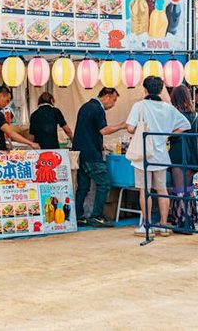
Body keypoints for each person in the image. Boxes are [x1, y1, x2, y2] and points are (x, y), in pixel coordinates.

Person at [125, 77, 191, 237]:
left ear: (145, 90)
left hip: (143, 155)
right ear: (161, 90)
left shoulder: (139, 106)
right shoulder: (168, 108)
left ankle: (147, 225)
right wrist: (167, 135)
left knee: (144, 190)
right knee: (162, 190)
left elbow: (130, 128)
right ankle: (163, 224)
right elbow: (186, 125)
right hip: (161, 154)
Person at [74, 87, 127, 228]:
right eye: (114, 100)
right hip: (92, 154)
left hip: (81, 153)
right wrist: (121, 126)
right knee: (104, 183)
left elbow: (88, 130)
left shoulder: (85, 106)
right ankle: (96, 216)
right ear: (107, 96)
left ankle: (77, 216)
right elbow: (103, 130)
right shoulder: (98, 109)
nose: (113, 104)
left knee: (83, 187)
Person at [167, 85, 198, 233]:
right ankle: (190, 220)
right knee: (188, 189)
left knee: (179, 189)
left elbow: (170, 134)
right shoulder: (195, 115)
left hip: (178, 153)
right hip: (192, 154)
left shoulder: (176, 114)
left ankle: (181, 221)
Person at [0, 86, 39, 151]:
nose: (6, 104)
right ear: (0, 96)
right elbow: (11, 134)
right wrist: (31, 143)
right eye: (7, 100)